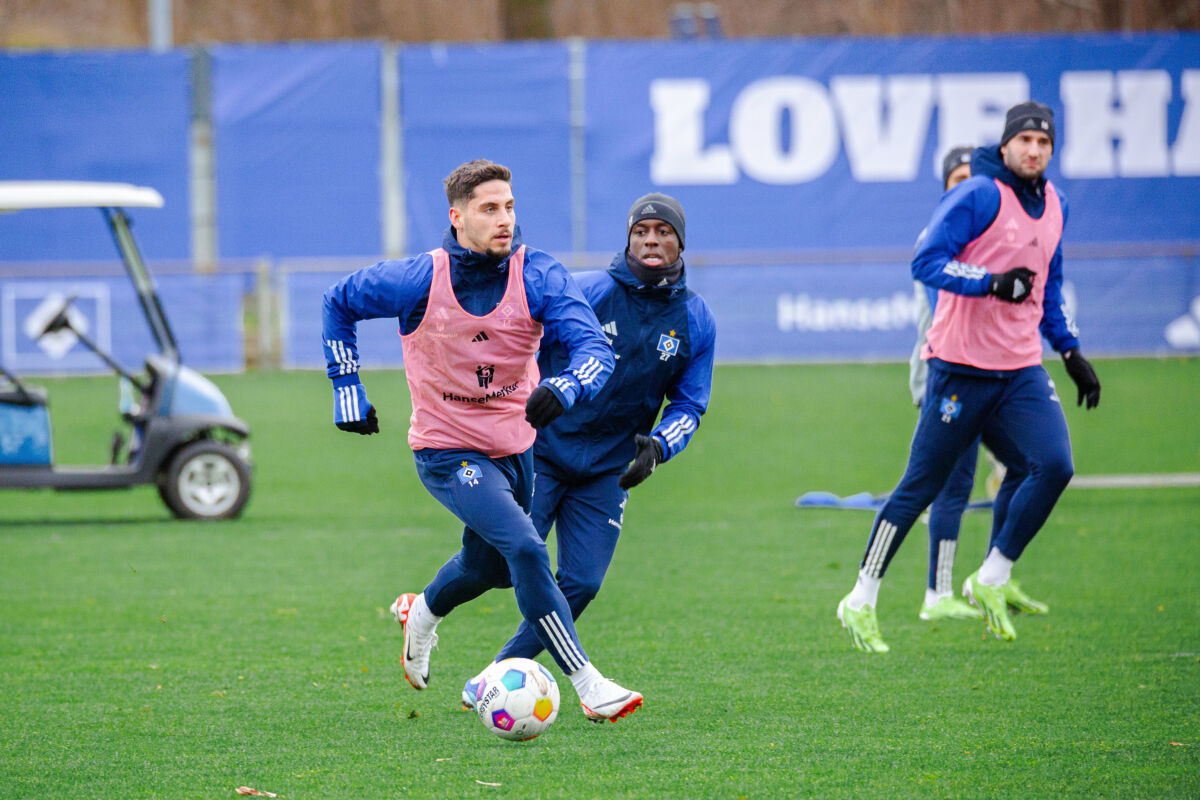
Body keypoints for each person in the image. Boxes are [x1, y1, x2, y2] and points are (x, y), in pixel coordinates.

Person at [321, 159, 643, 721]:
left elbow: (597, 352)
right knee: (524, 547)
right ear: (457, 216)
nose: (504, 219)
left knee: (488, 569)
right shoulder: (420, 278)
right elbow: (337, 302)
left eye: (510, 207)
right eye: (489, 209)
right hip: (446, 452)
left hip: (517, 451)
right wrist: (345, 384)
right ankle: (588, 683)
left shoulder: (539, 274)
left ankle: (422, 612)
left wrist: (566, 386)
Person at [837, 102, 1102, 652]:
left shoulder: (1057, 205)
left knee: (1053, 465)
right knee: (921, 487)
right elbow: (926, 261)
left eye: (1043, 143)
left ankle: (993, 575)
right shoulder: (979, 194)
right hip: (960, 369)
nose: (1033, 151)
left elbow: (1048, 286)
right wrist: (988, 281)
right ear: (1005, 147)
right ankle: (860, 597)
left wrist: (1071, 351)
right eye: (1024, 141)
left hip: (1022, 370)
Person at [461, 193, 716, 709]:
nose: (651, 239)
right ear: (628, 238)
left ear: (680, 243)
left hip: (607, 470)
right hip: (541, 452)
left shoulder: (696, 320)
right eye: (641, 230)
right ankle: (424, 607)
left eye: (663, 232)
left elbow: (690, 402)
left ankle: (493, 675)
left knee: (581, 582)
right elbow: (523, 339)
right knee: (498, 563)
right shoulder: (589, 291)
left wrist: (660, 445)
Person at [911, 148, 1047, 624]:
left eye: (972, 177)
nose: (966, 187)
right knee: (955, 486)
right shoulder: (942, 238)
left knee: (1024, 464)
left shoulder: (984, 235)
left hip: (993, 373)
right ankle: (938, 593)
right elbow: (950, 298)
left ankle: (994, 576)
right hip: (950, 373)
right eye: (957, 178)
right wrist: (993, 282)